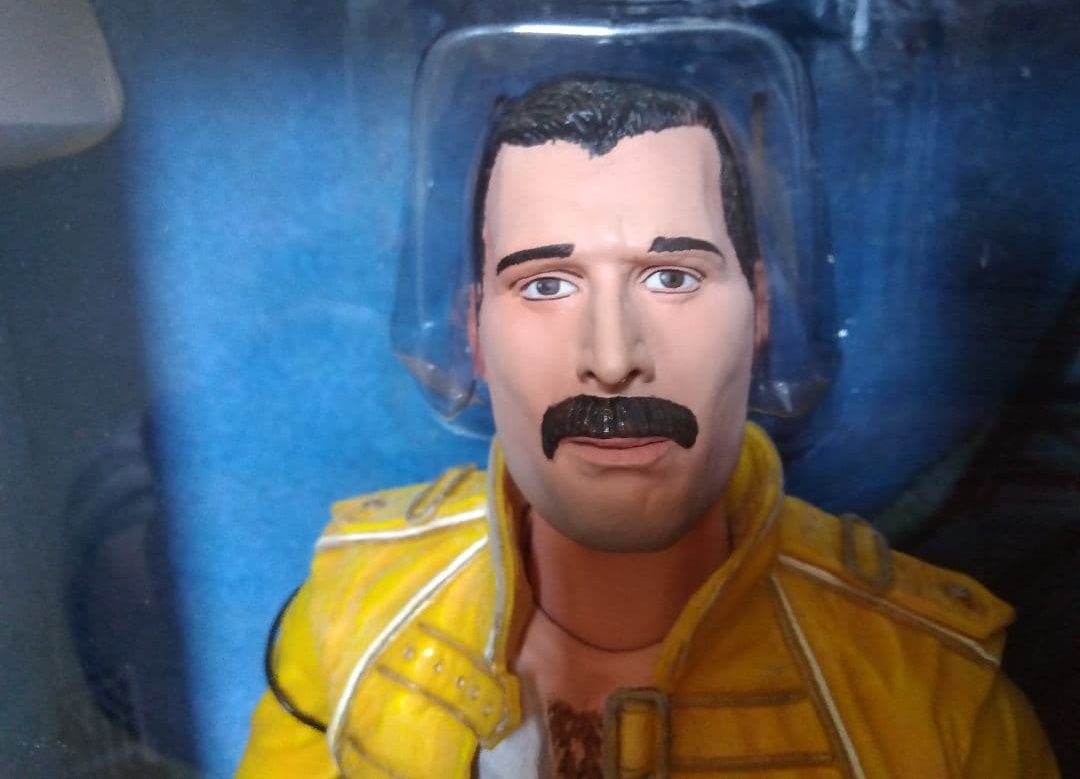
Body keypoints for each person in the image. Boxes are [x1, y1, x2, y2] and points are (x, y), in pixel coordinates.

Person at [238, 78, 1058, 778]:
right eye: (546, 284)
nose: (612, 359)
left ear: (759, 315)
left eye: (671, 277)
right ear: (473, 331)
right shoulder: (354, 616)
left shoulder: (932, 698)